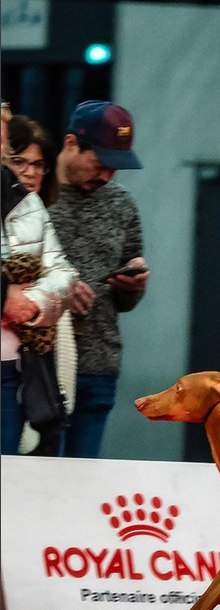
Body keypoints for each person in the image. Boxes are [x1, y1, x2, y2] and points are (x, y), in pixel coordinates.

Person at [48, 100, 149, 458]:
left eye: (115, 167)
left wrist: (133, 288)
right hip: (38, 366)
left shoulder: (122, 205)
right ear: (72, 144)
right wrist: (56, 291)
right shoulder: (31, 197)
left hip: (98, 365)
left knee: (82, 482)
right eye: (99, 163)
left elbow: (125, 299)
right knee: (30, 480)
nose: (106, 175)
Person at [1, 101, 77, 455]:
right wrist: (6, 293)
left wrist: (31, 302)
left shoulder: (30, 206)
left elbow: (63, 273)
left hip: (16, 368)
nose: (29, 172)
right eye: (19, 160)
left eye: (38, 164)